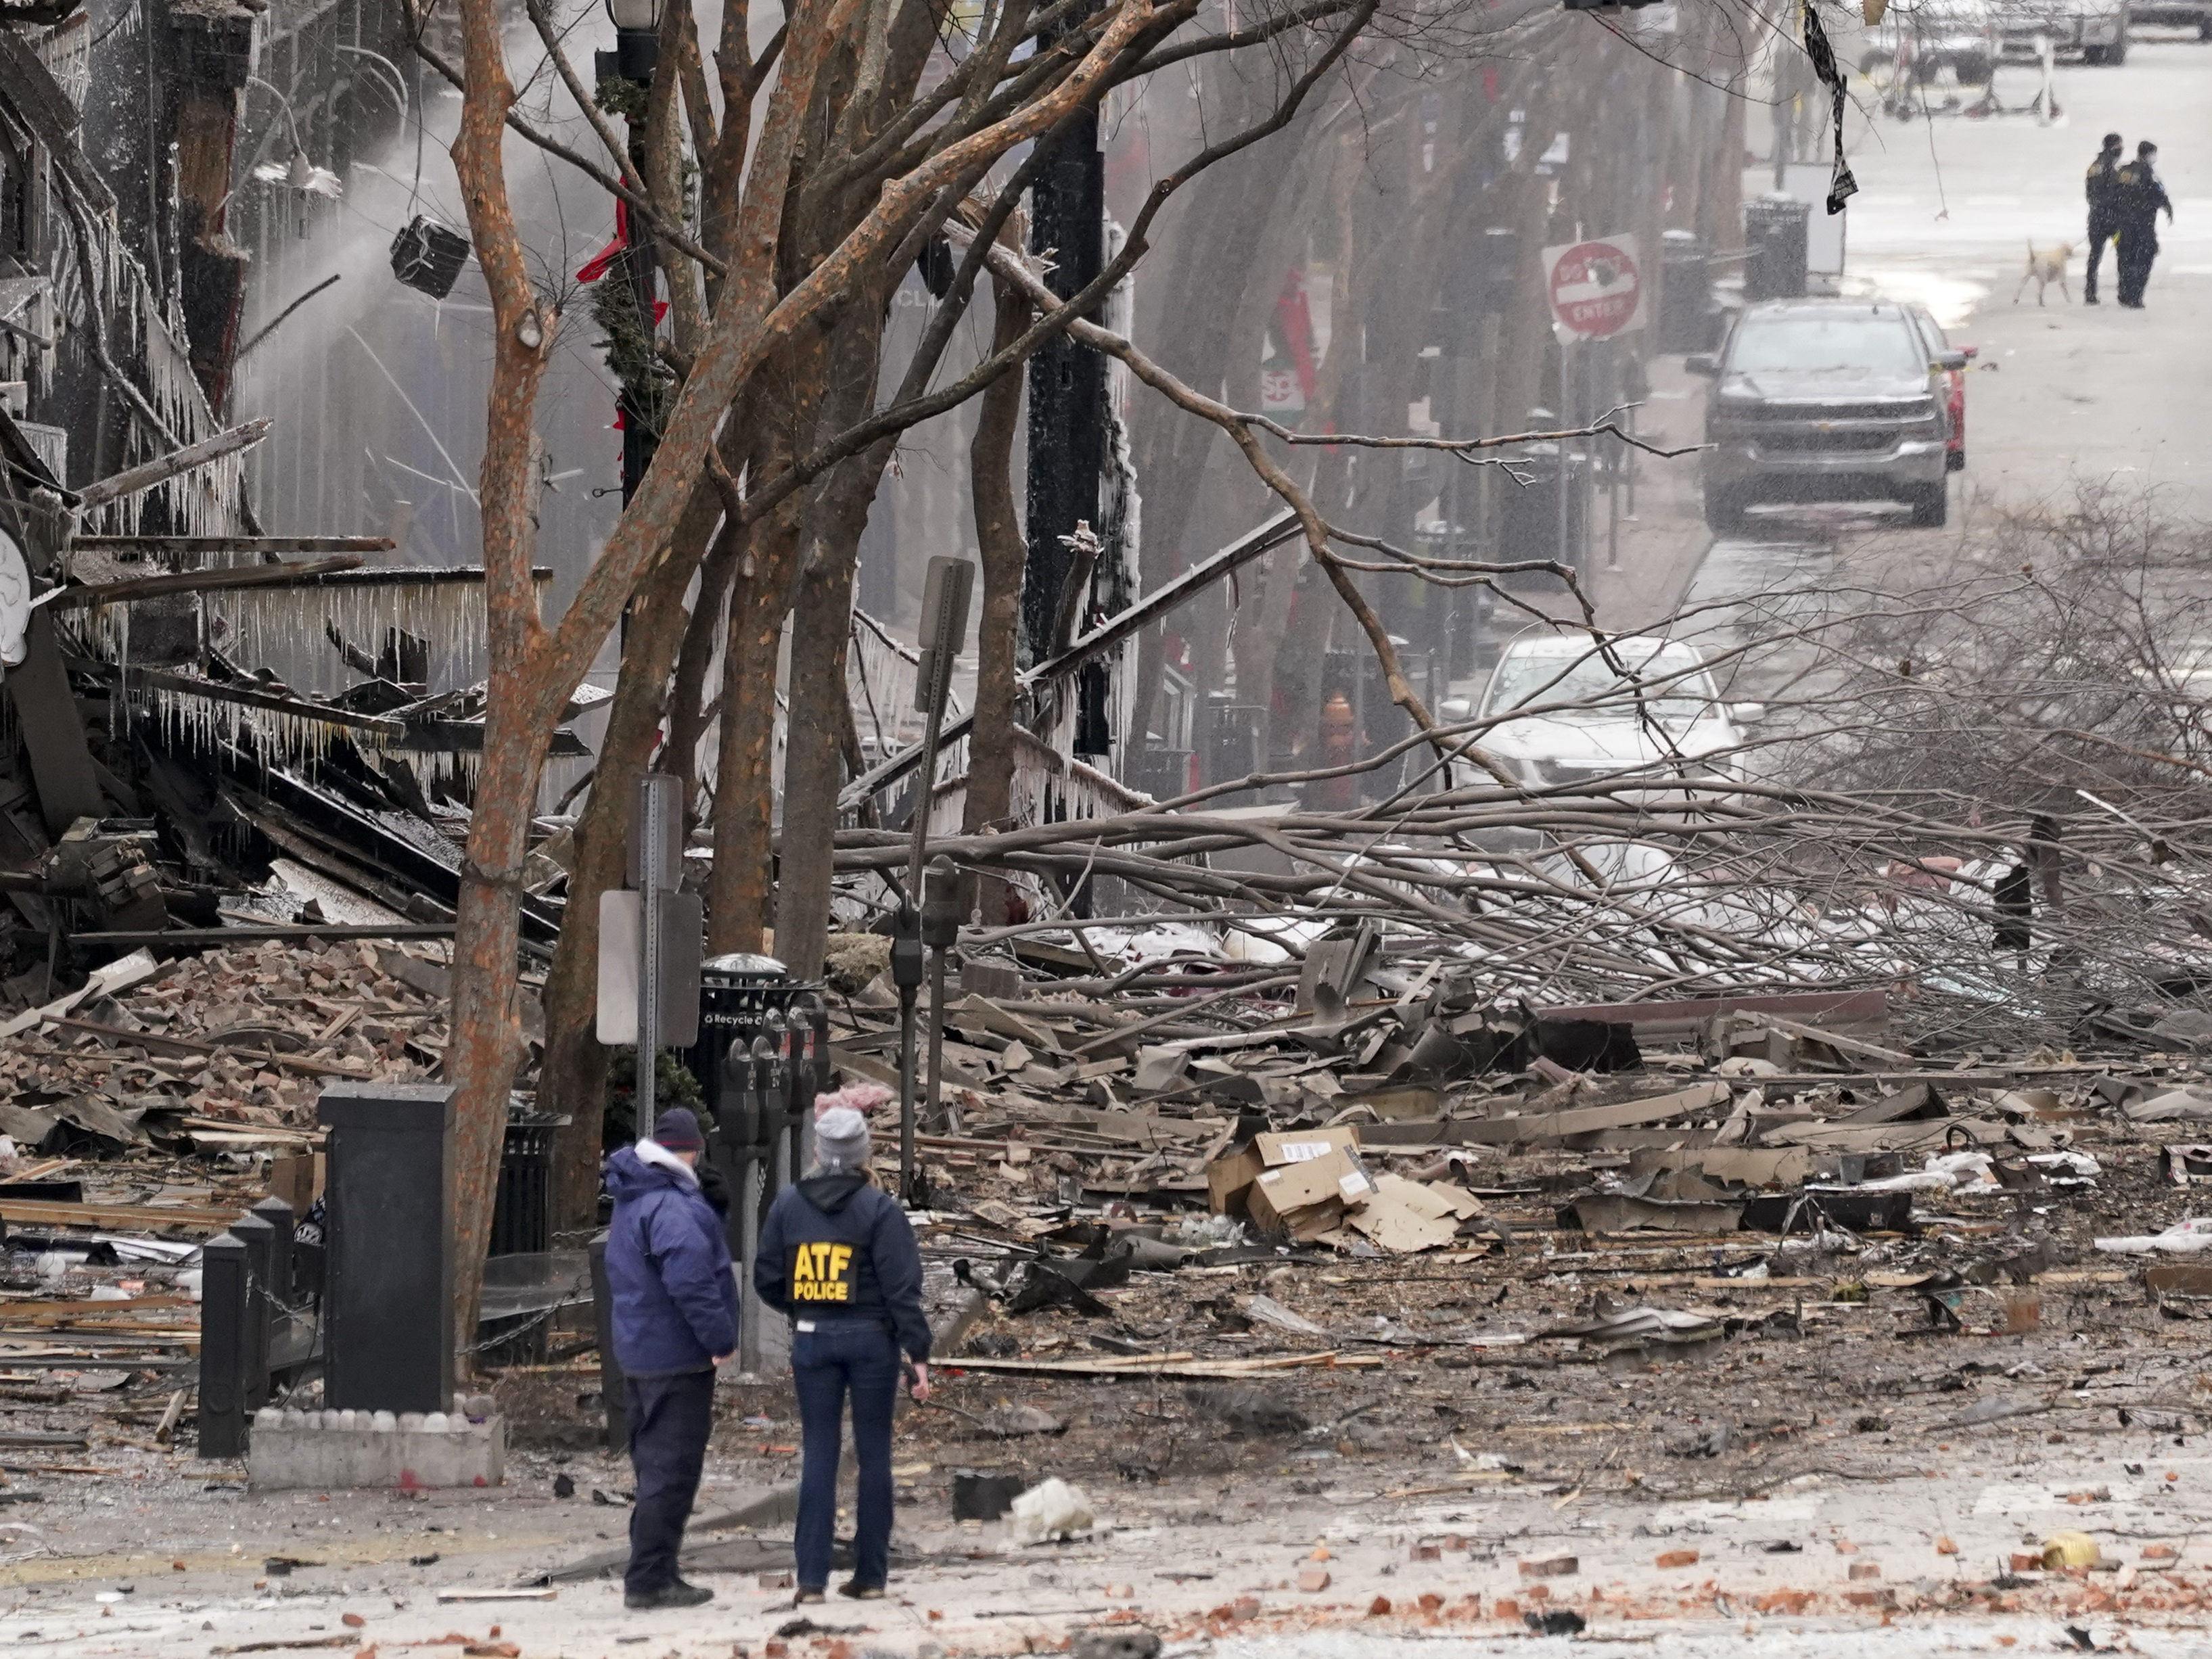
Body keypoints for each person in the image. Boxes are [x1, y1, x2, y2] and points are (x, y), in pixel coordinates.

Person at [754, 1104, 930, 1604]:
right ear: (863, 1155)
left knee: (820, 1453)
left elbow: (766, 1276)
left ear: (817, 1151)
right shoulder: (880, 1210)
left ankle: (811, 1580)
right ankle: (871, 1575)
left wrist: (802, 1308)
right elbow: (903, 1289)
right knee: (875, 1456)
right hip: (874, 1341)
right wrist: (918, 1353)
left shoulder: (789, 1205)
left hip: (813, 1339)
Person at [603, 1107, 737, 1612]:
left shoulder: (637, 1198)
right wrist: (720, 1338)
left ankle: (655, 1569)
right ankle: (651, 1578)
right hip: (676, 1356)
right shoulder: (671, 1206)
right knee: (671, 1471)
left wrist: (711, 1211)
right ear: (692, 1151)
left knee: (653, 1467)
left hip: (640, 1350)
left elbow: (684, 1255)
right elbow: (692, 1278)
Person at [2115, 139, 2174, 310]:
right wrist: (2168, 209)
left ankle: (2124, 294)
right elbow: (2159, 194)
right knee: (2144, 258)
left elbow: (2113, 193)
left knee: (2125, 258)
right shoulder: (2148, 173)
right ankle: (2135, 296)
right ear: (2148, 155)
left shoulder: (2124, 171)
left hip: (2123, 223)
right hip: (2143, 224)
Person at [2083, 133, 2125, 304]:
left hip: (2096, 220)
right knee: (2123, 254)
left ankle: (2090, 293)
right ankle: (2124, 292)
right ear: (2113, 147)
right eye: (2119, 146)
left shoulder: (2094, 167)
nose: (2121, 149)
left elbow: (2090, 194)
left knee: (2094, 256)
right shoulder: (2111, 168)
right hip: (2113, 222)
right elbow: (2113, 195)